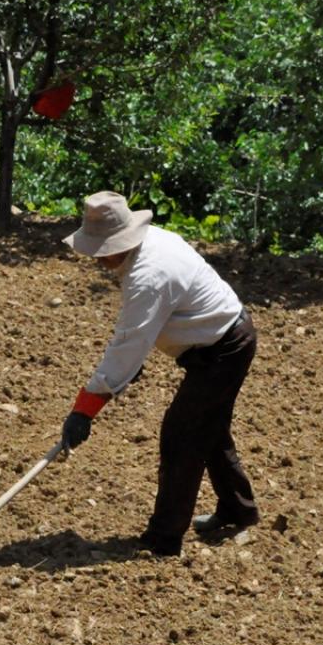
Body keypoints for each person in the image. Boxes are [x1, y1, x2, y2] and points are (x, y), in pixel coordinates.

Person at [59, 191, 260, 557]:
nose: (98, 258)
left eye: (102, 249)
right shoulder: (152, 243)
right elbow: (146, 331)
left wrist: (85, 409)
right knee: (208, 429)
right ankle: (237, 510)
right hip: (224, 338)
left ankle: (164, 539)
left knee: (182, 434)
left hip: (223, 348)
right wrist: (125, 371)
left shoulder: (148, 274)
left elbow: (129, 342)